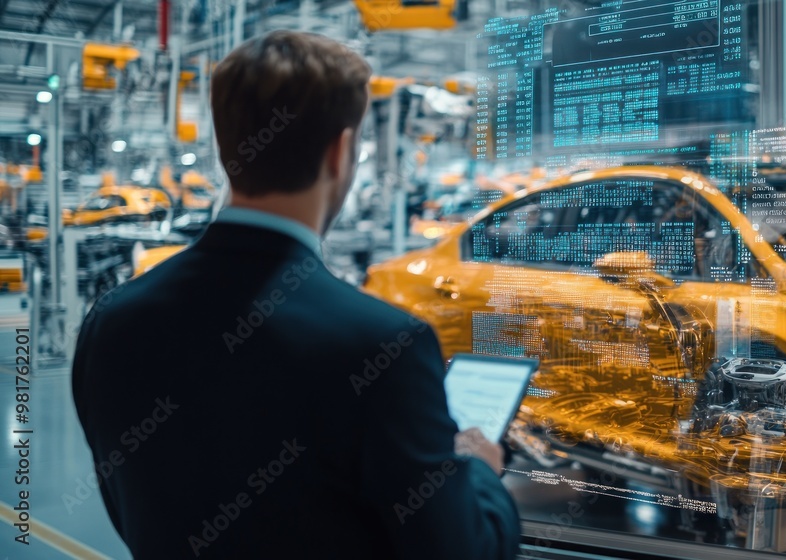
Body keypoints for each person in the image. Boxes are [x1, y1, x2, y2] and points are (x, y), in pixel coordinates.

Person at [72, 30, 521, 559]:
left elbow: (133, 511)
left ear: (225, 145)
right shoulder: (384, 346)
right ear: (341, 152)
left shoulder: (110, 324)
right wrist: (479, 470)